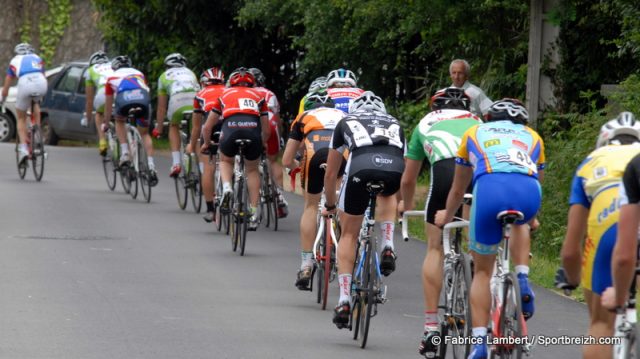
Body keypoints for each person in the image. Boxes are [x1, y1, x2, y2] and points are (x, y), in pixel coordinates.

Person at [434, 99, 544, 358]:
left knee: (482, 272)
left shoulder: (474, 132)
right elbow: (535, 179)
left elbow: (459, 189)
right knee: (522, 222)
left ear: (489, 118)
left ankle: (480, 342)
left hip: (490, 189)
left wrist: (447, 215)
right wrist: (532, 217)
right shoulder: (533, 137)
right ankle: (522, 278)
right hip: (527, 194)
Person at [399, 88, 482, 356]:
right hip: (478, 176)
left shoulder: (425, 122)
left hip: (445, 172)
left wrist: (407, 205)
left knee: (435, 248)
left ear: (436, 106)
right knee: (474, 241)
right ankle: (472, 266)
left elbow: (409, 179)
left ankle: (431, 327)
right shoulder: (479, 122)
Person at [556, 112, 640, 359]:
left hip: (608, 230)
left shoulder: (591, 162)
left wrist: (571, 278)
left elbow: (571, 248)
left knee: (601, 325)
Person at [323, 91, 404, 328]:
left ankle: (344, 299)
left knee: (348, 234)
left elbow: (330, 174)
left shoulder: (344, 122)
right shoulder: (395, 123)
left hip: (360, 167)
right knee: (388, 192)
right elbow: (404, 163)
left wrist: (329, 205)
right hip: (394, 168)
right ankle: (388, 244)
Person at [282, 90, 346, 289]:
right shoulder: (344, 117)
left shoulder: (303, 117)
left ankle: (306, 263)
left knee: (311, 206)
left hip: (314, 155)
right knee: (339, 202)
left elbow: (286, 160)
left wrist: (300, 169)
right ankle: (345, 245)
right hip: (340, 157)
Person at [200, 67, 270, 231]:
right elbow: (267, 130)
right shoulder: (259, 96)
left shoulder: (224, 94)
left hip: (230, 129)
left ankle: (226, 187)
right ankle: (253, 212)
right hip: (252, 130)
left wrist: (206, 143)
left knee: (225, 160)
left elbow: (207, 125)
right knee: (252, 170)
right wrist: (263, 142)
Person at [103, 55, 158, 186]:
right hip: (142, 100)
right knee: (144, 133)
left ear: (114, 67)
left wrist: (105, 122)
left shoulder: (111, 78)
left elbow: (108, 103)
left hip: (124, 100)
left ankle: (125, 153)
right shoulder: (139, 74)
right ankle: (151, 165)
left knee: (119, 120)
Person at [249, 67, 289, 218]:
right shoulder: (269, 93)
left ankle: (253, 202)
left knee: (251, 165)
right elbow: (277, 119)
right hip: (271, 123)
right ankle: (278, 193)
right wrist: (279, 136)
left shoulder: (245, 93)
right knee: (273, 160)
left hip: (253, 124)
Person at [152, 53, 200, 177]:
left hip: (177, 101)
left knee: (173, 126)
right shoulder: (191, 73)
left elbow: (162, 107)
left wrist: (159, 128)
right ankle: (202, 168)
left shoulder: (164, 76)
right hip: (195, 100)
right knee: (196, 130)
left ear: (167, 66)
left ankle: (176, 163)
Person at [1, 43, 47, 164]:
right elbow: (43, 74)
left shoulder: (15, 60)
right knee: (35, 104)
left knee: (21, 118)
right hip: (41, 83)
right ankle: (37, 135)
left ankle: (23, 150)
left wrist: (3, 98)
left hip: (25, 83)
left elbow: (7, 83)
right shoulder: (37, 58)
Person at [192, 67, 226, 223]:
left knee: (208, 168)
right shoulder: (228, 90)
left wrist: (193, 146)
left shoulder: (200, 95)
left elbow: (197, 127)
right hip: (229, 126)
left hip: (210, 127)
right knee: (229, 161)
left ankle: (211, 209)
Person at [84, 51, 114, 156]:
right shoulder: (113, 65)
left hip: (104, 94)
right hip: (120, 92)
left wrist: (87, 118)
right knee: (121, 118)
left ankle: (102, 142)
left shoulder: (90, 71)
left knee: (98, 114)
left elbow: (89, 100)